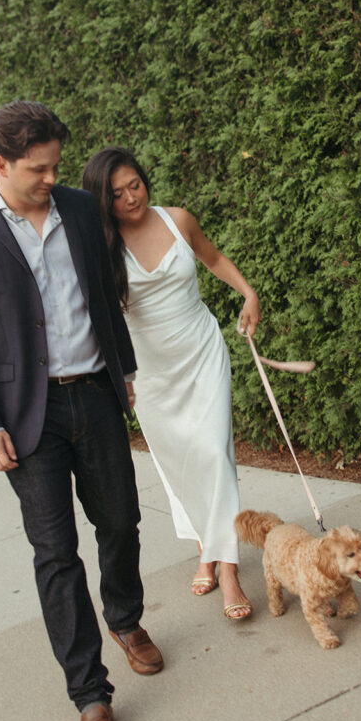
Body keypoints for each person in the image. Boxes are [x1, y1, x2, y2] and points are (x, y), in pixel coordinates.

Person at [0, 102, 163, 721]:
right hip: (25, 417)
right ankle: (90, 696)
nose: (50, 177)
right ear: (1, 164)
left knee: (120, 522)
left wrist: (122, 369)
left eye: (56, 165)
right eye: (38, 168)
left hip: (92, 394)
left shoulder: (78, 209)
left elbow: (100, 291)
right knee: (55, 553)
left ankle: (124, 617)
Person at [82, 146, 260, 620]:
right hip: (150, 373)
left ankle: (228, 571)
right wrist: (117, 375)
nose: (131, 198)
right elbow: (96, 316)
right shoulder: (102, 246)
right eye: (117, 194)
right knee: (179, 465)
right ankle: (207, 547)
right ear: (103, 200)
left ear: (145, 179)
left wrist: (248, 294)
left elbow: (214, 257)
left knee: (212, 455)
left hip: (201, 353)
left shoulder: (178, 219)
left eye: (135, 184)